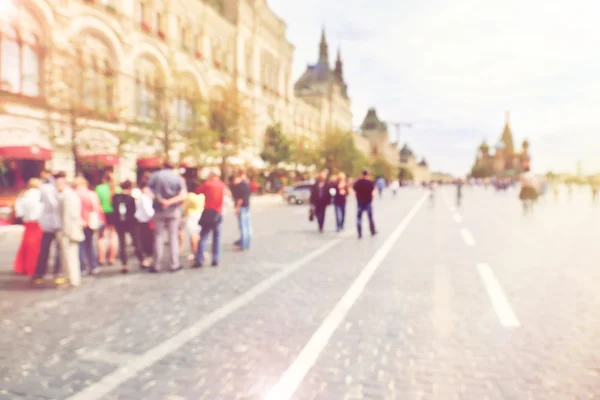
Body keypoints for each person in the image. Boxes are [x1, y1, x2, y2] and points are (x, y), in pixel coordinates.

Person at [148, 161, 187, 273]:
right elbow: (183, 195)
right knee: (173, 237)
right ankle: (174, 264)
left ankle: (156, 264)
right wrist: (169, 202)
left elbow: (147, 190)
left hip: (159, 210)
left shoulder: (156, 176)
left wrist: (159, 200)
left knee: (158, 237)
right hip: (173, 210)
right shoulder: (177, 177)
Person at [32, 171, 63, 285]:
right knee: (54, 250)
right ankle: (55, 273)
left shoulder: (45, 187)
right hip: (55, 223)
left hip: (49, 223)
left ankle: (41, 273)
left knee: (46, 249)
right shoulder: (49, 188)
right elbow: (53, 204)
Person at [55, 172, 85, 287]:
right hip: (71, 230)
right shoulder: (70, 195)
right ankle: (71, 278)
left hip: (68, 231)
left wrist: (65, 232)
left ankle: (72, 279)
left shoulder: (66, 196)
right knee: (70, 256)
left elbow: (68, 215)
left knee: (69, 257)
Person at [194, 169, 227, 267]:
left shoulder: (207, 184)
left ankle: (199, 259)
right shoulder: (222, 185)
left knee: (203, 236)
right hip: (218, 212)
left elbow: (197, 191)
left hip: (208, 212)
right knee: (216, 237)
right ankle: (215, 258)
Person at [112, 180, 145, 273]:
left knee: (122, 244)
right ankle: (142, 260)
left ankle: (124, 264)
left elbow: (114, 209)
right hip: (131, 223)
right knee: (136, 241)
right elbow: (134, 211)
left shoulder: (115, 197)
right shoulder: (131, 198)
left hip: (119, 223)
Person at [13, 178, 43, 276]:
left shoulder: (23, 196)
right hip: (38, 224)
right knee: (36, 247)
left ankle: (22, 267)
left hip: (28, 224)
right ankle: (34, 267)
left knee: (25, 246)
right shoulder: (41, 195)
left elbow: (19, 212)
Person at [74, 176, 104, 276]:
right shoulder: (92, 194)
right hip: (90, 222)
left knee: (80, 246)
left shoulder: (74, 194)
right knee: (90, 244)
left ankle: (82, 268)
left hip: (79, 222)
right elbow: (97, 208)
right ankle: (94, 265)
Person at [95, 171, 121, 266]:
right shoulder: (118, 189)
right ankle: (111, 258)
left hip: (102, 214)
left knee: (101, 237)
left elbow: (96, 202)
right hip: (114, 214)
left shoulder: (99, 188)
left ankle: (101, 258)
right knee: (113, 236)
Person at [183, 178, 204, 263]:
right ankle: (199, 252)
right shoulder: (202, 196)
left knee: (192, 236)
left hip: (191, 216)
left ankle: (195, 253)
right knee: (198, 236)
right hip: (201, 215)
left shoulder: (190, 196)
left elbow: (185, 207)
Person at [134, 180, 155, 268]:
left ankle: (145, 260)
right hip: (146, 222)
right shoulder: (144, 198)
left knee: (144, 242)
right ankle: (146, 261)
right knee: (147, 243)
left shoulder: (142, 197)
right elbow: (149, 212)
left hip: (143, 222)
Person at [353, 169, 377, 239]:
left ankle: (359, 233)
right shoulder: (370, 183)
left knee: (359, 218)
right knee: (370, 217)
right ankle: (372, 231)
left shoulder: (358, 182)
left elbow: (355, 192)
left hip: (360, 202)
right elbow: (373, 193)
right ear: (367, 175)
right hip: (368, 202)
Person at [232, 170, 251, 251]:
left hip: (242, 207)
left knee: (243, 227)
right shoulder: (247, 184)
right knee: (247, 226)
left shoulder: (241, 185)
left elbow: (240, 199)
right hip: (246, 206)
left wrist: (237, 208)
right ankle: (246, 243)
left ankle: (243, 245)